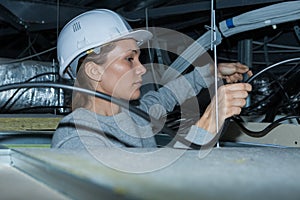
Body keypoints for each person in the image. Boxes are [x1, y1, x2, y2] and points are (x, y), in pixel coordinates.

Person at [51, 9, 252, 149]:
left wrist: (211, 72)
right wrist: (206, 125)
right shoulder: (76, 136)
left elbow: (167, 96)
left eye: (139, 58)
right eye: (129, 59)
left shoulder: (134, 114)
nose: (141, 69)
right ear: (94, 71)